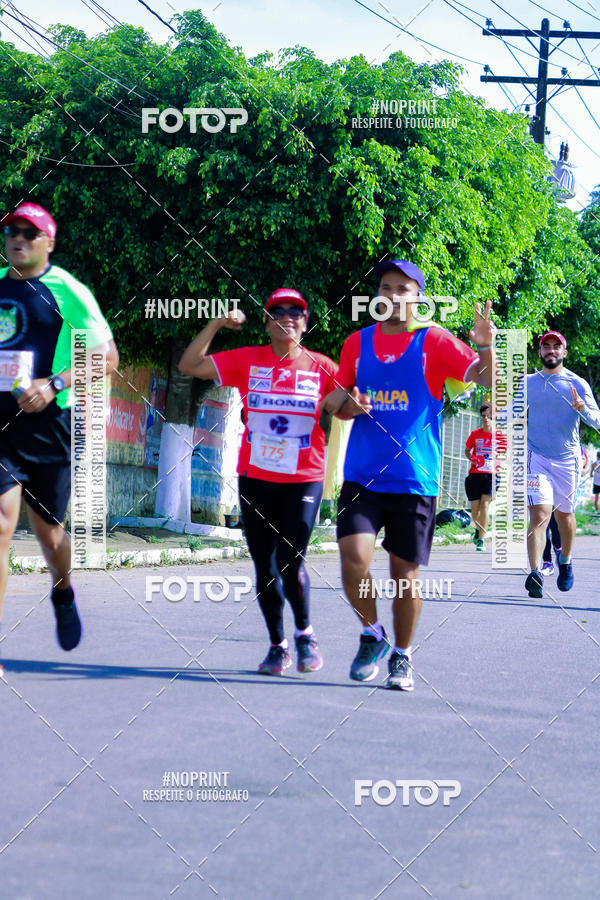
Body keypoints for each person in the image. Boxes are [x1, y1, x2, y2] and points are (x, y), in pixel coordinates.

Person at [322, 259, 494, 691]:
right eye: (386, 287)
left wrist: (486, 346)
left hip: (414, 478)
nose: (393, 295)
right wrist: (347, 405)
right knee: (353, 558)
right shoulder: (357, 343)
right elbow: (334, 401)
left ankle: (402, 653)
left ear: (418, 297)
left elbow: (487, 378)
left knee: (404, 576)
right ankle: (371, 633)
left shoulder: (434, 341)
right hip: (362, 475)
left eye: (403, 289)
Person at [178, 288, 338, 675]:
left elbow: (347, 405)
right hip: (256, 478)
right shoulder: (247, 359)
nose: (287, 317)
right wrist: (217, 324)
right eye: (277, 312)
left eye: (296, 312)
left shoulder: (322, 366)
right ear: (266, 323)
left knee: (290, 561)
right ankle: (278, 646)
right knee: (264, 566)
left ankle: (305, 634)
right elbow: (189, 364)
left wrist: (360, 398)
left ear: (305, 323)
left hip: (304, 478)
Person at [0, 203, 118, 671]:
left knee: (49, 534)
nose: (17, 238)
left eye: (29, 232)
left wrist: (54, 384)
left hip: (51, 428)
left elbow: (107, 357)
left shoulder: (68, 291)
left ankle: (63, 590)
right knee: (1, 526)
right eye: (11, 230)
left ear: (48, 242)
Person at [525, 331, 600, 598]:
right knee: (539, 514)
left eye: (557, 346)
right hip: (536, 457)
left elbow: (597, 421)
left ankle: (565, 561)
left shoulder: (577, 383)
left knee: (564, 516)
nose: (551, 350)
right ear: (540, 352)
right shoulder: (528, 383)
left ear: (564, 352)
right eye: (546, 346)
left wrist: (582, 409)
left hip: (567, 460)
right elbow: (511, 411)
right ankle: (535, 572)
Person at [464, 403, 505, 551]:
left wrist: (497, 460)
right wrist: (473, 459)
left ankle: (481, 539)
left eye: (489, 416)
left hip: (491, 475)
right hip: (475, 474)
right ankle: (478, 529)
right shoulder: (475, 434)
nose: (486, 419)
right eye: (483, 416)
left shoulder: (500, 436)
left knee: (485, 506)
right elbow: (467, 450)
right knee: (475, 510)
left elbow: (505, 454)